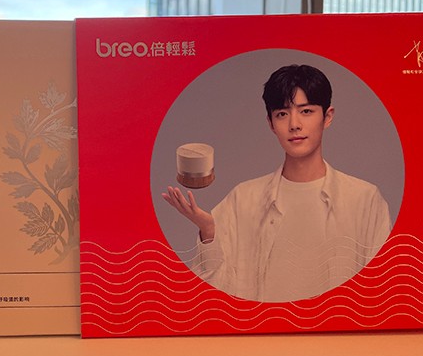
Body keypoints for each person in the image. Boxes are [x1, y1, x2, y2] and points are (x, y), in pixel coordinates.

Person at [162, 64, 391, 302]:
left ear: (328, 117)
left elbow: (380, 289)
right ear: (271, 123)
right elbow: (215, 291)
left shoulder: (364, 199)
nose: (294, 124)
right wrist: (209, 232)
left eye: (306, 111)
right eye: (282, 114)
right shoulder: (244, 198)